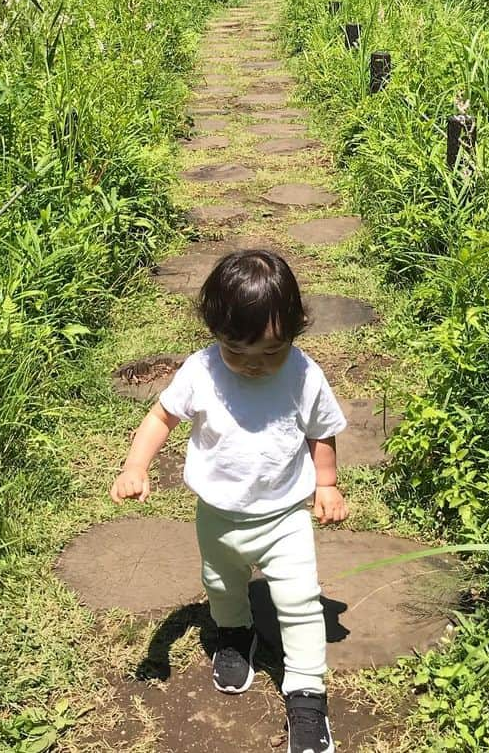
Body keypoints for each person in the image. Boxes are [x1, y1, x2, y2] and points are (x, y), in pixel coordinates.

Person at [110, 248, 348, 753]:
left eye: (271, 352)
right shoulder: (201, 371)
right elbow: (160, 418)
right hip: (217, 514)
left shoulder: (304, 374)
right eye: (237, 352)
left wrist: (325, 483)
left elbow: (322, 432)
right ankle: (236, 634)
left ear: (294, 334)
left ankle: (307, 692)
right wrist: (136, 465)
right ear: (213, 330)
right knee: (220, 584)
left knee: (301, 601)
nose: (255, 365)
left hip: (285, 514)